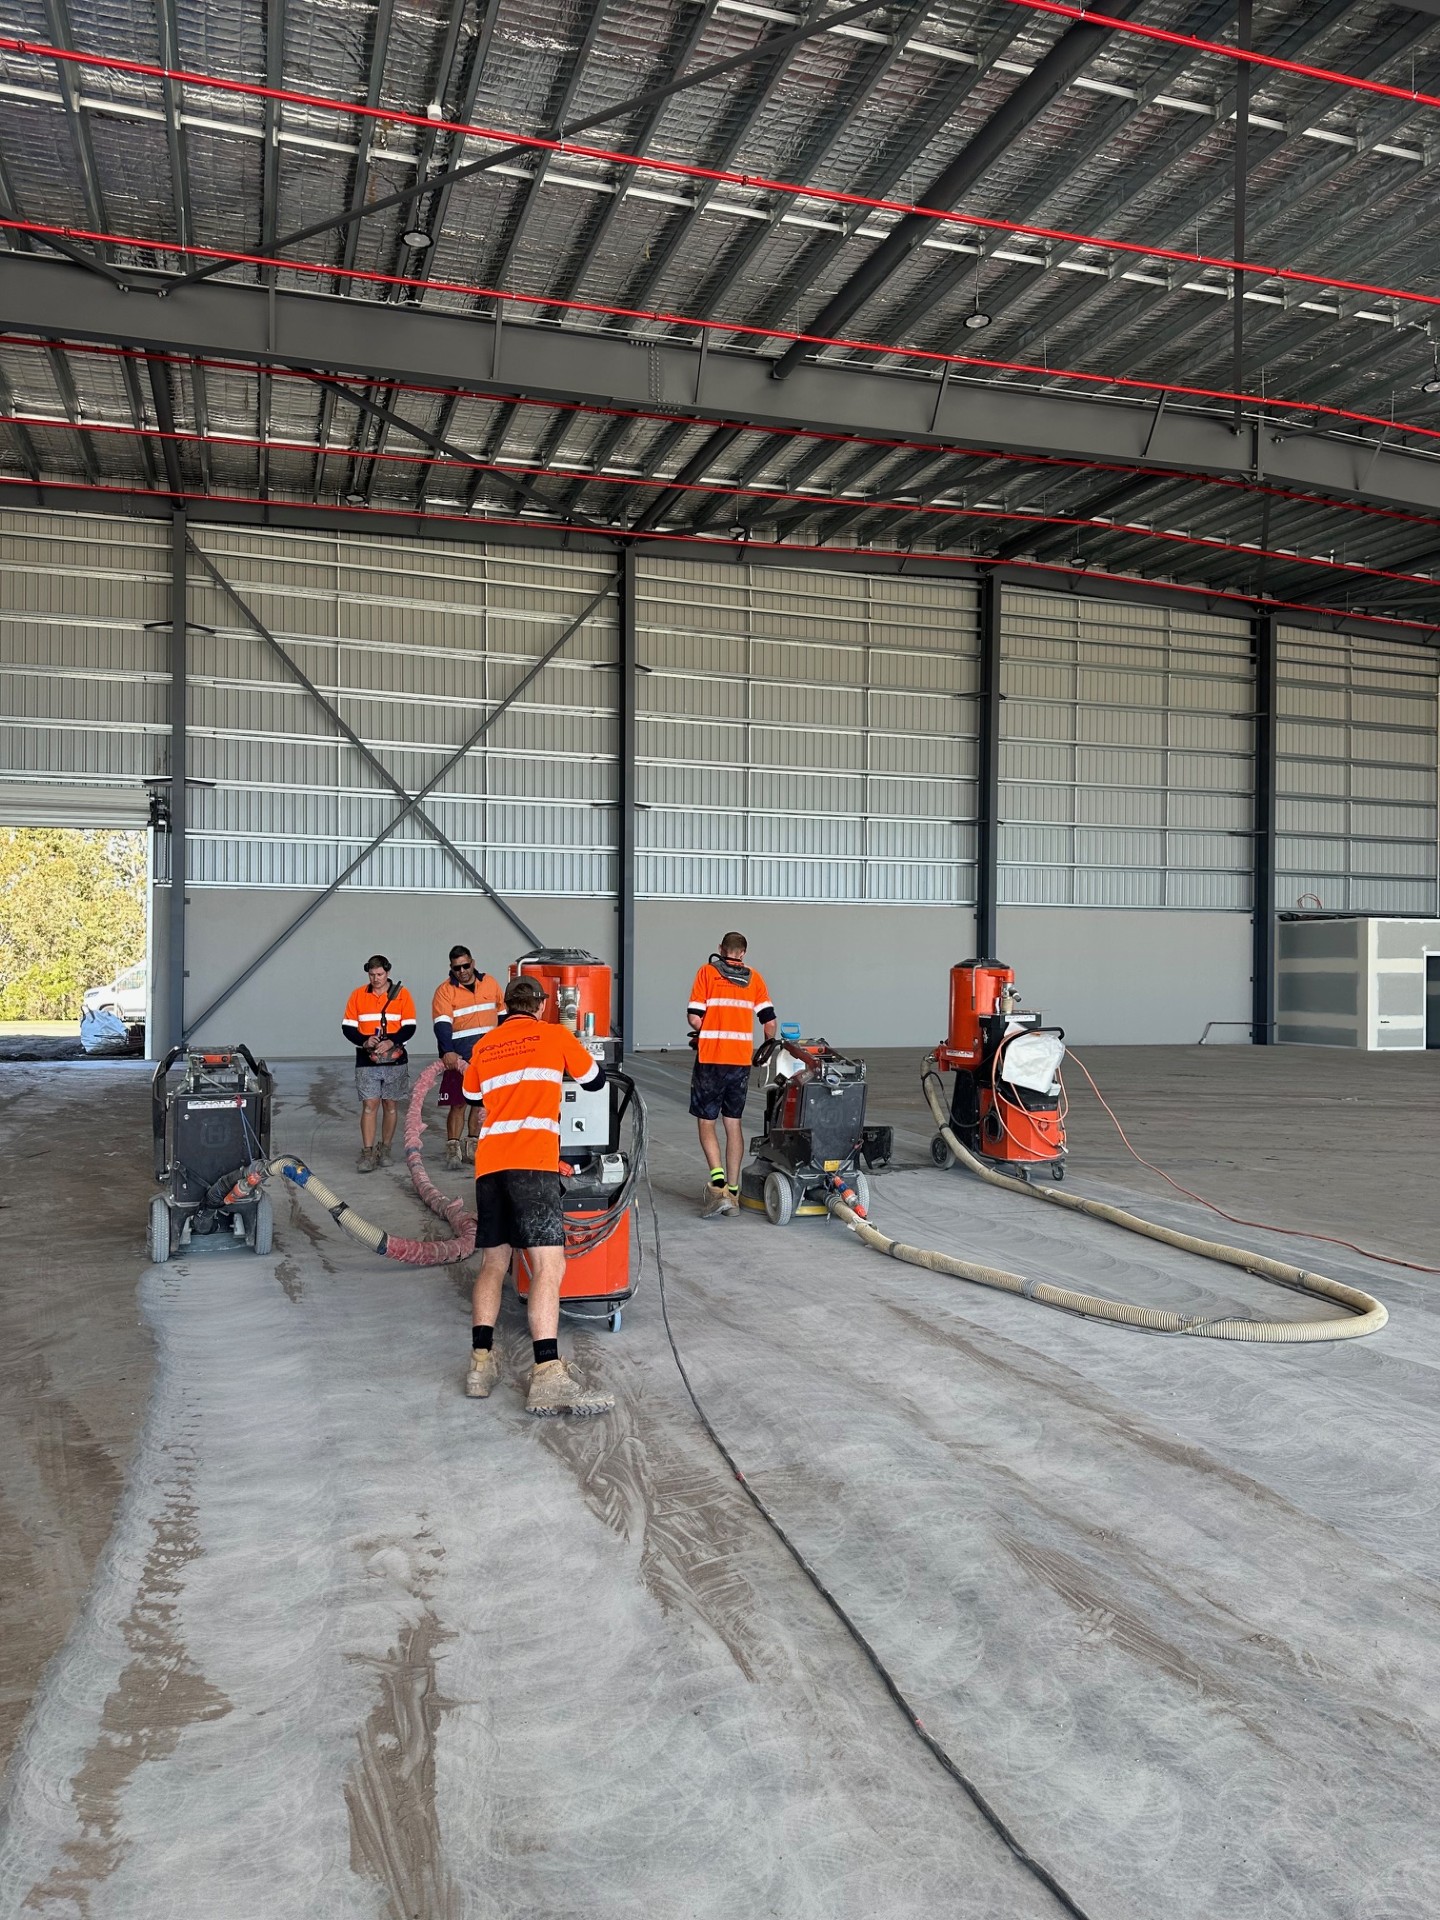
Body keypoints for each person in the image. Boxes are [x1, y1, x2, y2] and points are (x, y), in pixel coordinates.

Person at [461, 974, 615, 1417]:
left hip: (491, 1165)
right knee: (549, 1264)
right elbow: (595, 1081)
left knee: (493, 1263)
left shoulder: (486, 1045)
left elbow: (472, 1094)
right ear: (543, 1004)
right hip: (533, 1162)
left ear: (505, 1005)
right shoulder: (555, 1034)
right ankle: (547, 1374)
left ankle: (480, 1365)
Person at [687, 931, 776, 1218]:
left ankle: (718, 1186)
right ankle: (734, 1194)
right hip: (739, 1062)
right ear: (743, 953)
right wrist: (765, 1048)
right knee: (733, 1123)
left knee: (706, 1121)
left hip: (711, 1058)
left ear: (721, 949)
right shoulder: (755, 978)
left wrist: (705, 1029)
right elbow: (769, 1023)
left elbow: (694, 1016)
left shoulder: (707, 972)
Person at [341, 955, 418, 1174]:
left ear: (388, 972)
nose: (376, 979)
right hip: (367, 1059)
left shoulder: (402, 995)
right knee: (369, 1104)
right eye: (372, 975)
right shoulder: (357, 995)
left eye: (380, 975)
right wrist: (364, 1041)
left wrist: (391, 1042)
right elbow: (347, 1027)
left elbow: (410, 1026)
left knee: (390, 1105)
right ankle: (367, 1152)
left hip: (395, 1058)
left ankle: (385, 1149)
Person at [431, 944, 502, 1171]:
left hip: (489, 1056)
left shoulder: (490, 983)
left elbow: (503, 1015)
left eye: (465, 966)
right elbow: (442, 1024)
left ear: (473, 962)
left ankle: (472, 1146)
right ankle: (453, 1148)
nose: (462, 971)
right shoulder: (445, 991)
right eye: (456, 968)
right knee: (458, 1103)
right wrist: (447, 1051)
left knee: (480, 1103)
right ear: (451, 968)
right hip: (459, 1057)